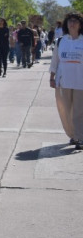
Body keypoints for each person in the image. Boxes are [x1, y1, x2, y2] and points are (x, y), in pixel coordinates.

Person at [49, 12, 83, 149]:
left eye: (75, 21)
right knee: (66, 111)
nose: (72, 23)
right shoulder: (61, 41)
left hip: (80, 82)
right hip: (64, 82)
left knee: (79, 111)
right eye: (70, 21)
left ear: (80, 25)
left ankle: (80, 137)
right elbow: (55, 61)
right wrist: (52, 77)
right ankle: (73, 135)